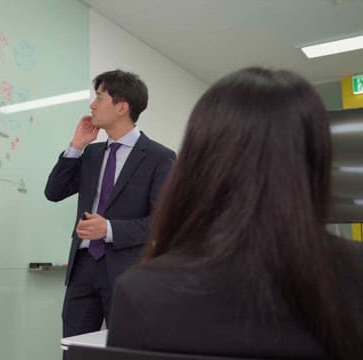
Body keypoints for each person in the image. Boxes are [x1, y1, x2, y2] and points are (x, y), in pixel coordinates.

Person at [106, 67, 363, 359]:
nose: (92, 104)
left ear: (197, 164)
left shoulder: (142, 293)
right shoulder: (354, 275)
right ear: (318, 160)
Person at [45, 70, 176, 342]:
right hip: (81, 269)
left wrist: (109, 229)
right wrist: (76, 146)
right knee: (75, 351)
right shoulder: (91, 153)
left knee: (125, 350)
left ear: (122, 107)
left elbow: (162, 223)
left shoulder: (159, 157)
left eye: (100, 98)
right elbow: (54, 192)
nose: (92, 105)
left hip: (126, 273)